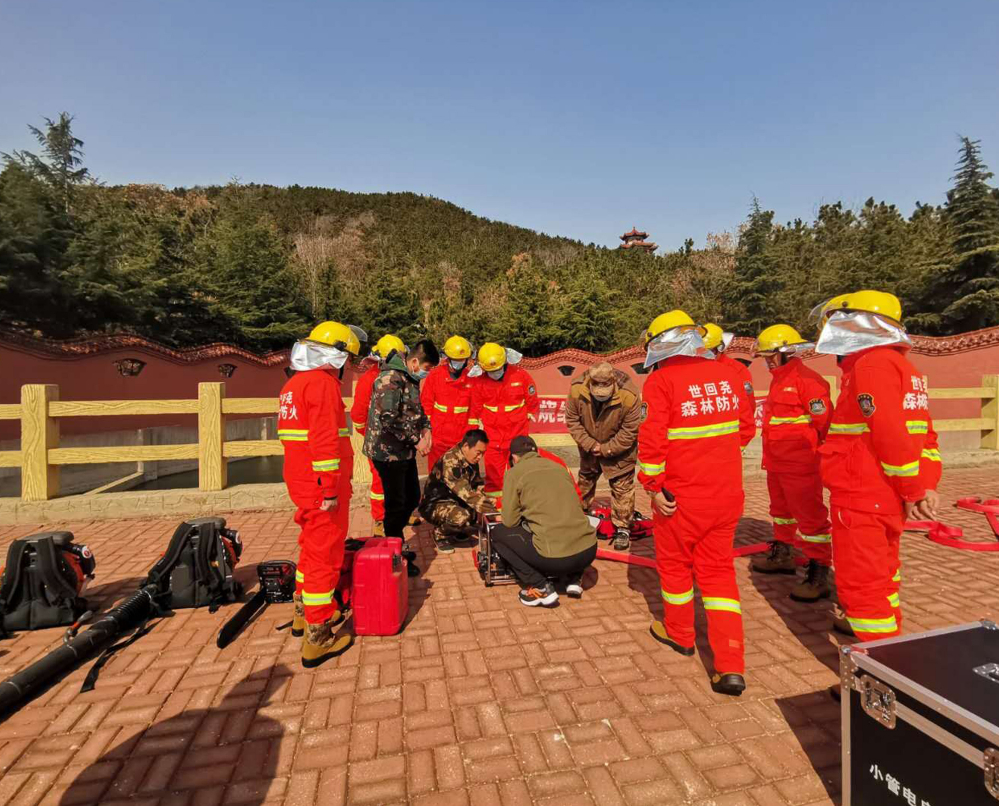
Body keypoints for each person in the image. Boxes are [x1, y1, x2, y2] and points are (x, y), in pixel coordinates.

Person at [637, 310, 755, 696]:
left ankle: (680, 633)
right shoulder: (728, 375)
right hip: (726, 495)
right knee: (719, 576)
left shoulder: (661, 381)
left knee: (675, 567)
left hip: (680, 498)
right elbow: (742, 429)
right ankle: (730, 666)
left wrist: (653, 486)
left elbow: (652, 443)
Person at [815, 290, 942, 641]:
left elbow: (890, 436)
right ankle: (887, 645)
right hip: (884, 496)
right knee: (884, 576)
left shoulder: (871, 367)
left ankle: (873, 684)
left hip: (862, 496)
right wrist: (924, 485)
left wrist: (913, 489)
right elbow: (926, 437)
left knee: (862, 588)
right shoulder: (905, 368)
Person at [279, 321, 363, 666]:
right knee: (326, 555)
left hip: (300, 481)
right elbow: (326, 441)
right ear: (338, 355)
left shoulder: (293, 384)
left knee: (310, 548)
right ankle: (318, 635)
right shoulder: (323, 385)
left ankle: (302, 613)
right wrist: (329, 488)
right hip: (321, 485)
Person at [751, 324, 835, 603]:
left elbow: (824, 423)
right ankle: (784, 554)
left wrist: (814, 453)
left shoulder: (807, 381)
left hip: (800, 464)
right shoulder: (779, 378)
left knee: (811, 519)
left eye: (771, 355)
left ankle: (819, 572)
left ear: (787, 352)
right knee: (781, 512)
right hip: (776, 463)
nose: (767, 361)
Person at [492, 436, 598, 606]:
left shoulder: (514, 473)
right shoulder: (559, 467)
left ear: (514, 458)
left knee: (498, 534)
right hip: (588, 552)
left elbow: (510, 521)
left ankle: (540, 587)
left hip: (554, 558)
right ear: (536, 451)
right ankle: (574, 578)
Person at [363, 339, 439, 539]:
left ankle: (393, 539)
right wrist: (416, 440)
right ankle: (394, 548)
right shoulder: (389, 379)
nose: (427, 373)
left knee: (412, 498)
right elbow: (388, 419)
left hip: (403, 450)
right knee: (396, 504)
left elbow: (417, 408)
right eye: (426, 368)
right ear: (414, 362)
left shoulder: (410, 379)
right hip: (387, 453)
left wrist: (426, 428)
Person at [565, 362, 642, 550]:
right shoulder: (577, 391)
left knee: (622, 488)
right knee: (584, 483)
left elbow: (629, 431)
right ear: (590, 384)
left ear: (613, 383)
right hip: (589, 449)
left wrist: (606, 449)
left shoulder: (629, 396)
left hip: (620, 452)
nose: (600, 398)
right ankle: (577, 520)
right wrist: (591, 445)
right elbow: (573, 421)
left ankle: (623, 528)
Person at [468, 343, 540, 504]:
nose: (494, 373)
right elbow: (475, 408)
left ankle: (523, 502)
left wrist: (528, 415)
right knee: (494, 476)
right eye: (490, 371)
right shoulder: (480, 382)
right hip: (493, 436)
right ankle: (497, 505)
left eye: (497, 369)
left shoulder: (521, 375)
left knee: (522, 471)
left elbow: (532, 399)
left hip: (518, 434)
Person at [351, 334, 406, 536]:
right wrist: (370, 435)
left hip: (399, 441)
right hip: (379, 443)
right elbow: (358, 414)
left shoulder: (401, 377)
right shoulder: (369, 380)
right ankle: (380, 519)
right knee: (380, 482)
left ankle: (402, 512)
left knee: (402, 479)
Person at [419, 429, 496, 553]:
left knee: (479, 509)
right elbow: (467, 494)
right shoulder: (451, 461)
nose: (480, 457)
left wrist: (490, 504)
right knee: (462, 517)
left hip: (454, 500)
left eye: (483, 453)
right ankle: (440, 534)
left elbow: (476, 487)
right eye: (478, 452)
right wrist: (494, 514)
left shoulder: (470, 458)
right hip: (435, 505)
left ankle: (457, 528)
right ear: (466, 446)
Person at [421, 335, 475, 472]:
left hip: (462, 439)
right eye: (455, 360)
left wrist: (471, 437)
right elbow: (426, 406)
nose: (458, 362)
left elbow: (475, 411)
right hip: (438, 439)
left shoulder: (472, 379)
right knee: (436, 475)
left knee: (461, 477)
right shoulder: (435, 376)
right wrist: (426, 433)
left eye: (461, 360)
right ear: (447, 357)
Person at [700, 323, 757, 441]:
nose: (703, 356)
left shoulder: (737, 370)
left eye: (708, 351)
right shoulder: (694, 368)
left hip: (729, 439)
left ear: (719, 348)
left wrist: (740, 443)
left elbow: (748, 408)